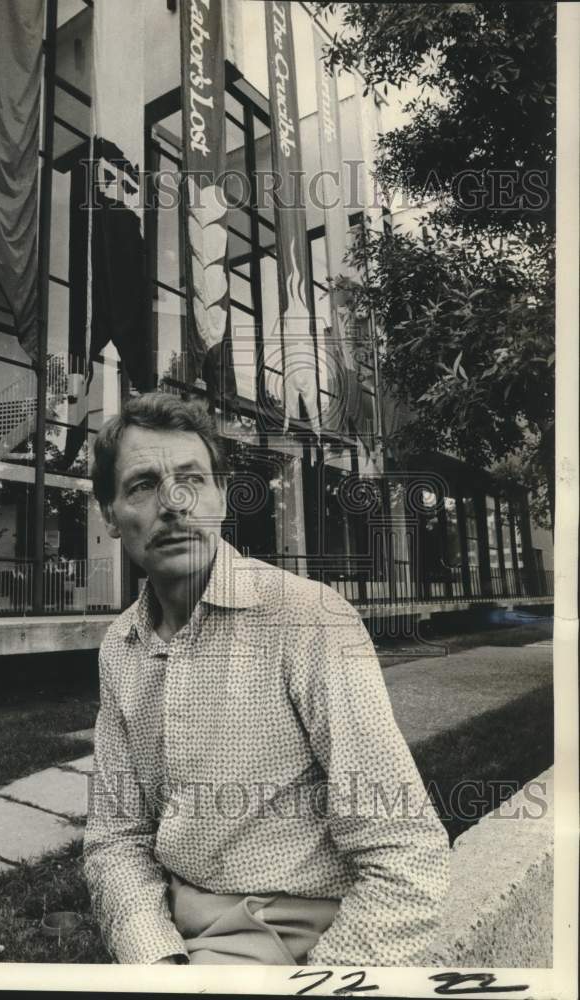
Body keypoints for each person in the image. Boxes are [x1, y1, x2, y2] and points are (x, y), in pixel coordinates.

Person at [82, 392, 449, 966]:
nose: (174, 503)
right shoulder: (120, 649)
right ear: (108, 513)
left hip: (290, 929)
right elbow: (115, 838)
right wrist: (154, 959)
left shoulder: (308, 619)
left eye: (192, 480)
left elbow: (407, 855)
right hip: (175, 930)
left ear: (222, 497)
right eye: (143, 485)